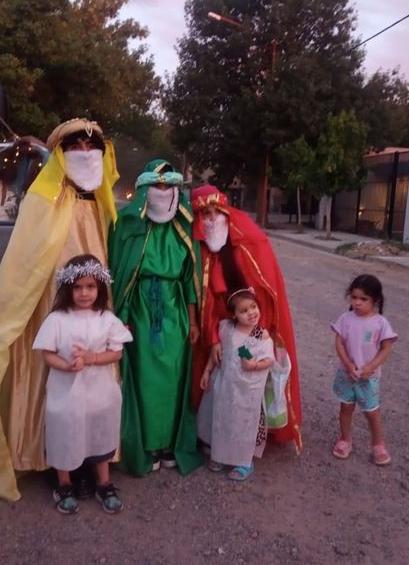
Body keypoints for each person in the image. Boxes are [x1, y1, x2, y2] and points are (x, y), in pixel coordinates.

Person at [0, 118, 120, 500]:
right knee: (54, 381)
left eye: (93, 148)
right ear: (61, 153)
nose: (86, 154)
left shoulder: (103, 203)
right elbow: (25, 262)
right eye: (76, 147)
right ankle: (51, 460)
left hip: (95, 312)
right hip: (50, 311)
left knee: (96, 381)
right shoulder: (42, 199)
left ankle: (93, 457)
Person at [108, 159, 203, 476]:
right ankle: (146, 445)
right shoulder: (128, 223)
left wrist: (193, 320)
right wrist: (120, 316)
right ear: (146, 188)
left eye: (168, 186)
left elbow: (191, 278)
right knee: (144, 376)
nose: (162, 191)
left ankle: (168, 444)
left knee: (174, 378)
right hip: (140, 310)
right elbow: (119, 274)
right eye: (157, 185)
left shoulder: (183, 228)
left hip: (174, 311)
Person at [190, 184, 302, 451]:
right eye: (206, 213)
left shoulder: (251, 241)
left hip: (252, 327)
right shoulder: (200, 251)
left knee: (251, 385)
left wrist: (257, 333)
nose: (213, 217)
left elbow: (266, 294)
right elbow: (207, 302)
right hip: (221, 330)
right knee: (223, 385)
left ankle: (252, 436)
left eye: (217, 210)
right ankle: (217, 434)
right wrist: (215, 338)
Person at [33, 254, 132, 514]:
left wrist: (91, 358)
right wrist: (67, 365)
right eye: (77, 287)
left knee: (100, 430)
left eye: (90, 287)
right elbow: (47, 353)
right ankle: (64, 483)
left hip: (99, 391)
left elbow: (117, 352)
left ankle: (104, 482)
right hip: (65, 392)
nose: (84, 293)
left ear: (99, 288)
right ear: (68, 289)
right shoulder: (57, 319)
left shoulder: (106, 318)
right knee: (64, 430)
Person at [197, 288, 276, 481]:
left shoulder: (260, 334)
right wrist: (207, 371)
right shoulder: (227, 328)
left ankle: (244, 461)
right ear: (233, 314)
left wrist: (254, 365)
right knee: (223, 419)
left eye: (253, 307)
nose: (251, 313)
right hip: (225, 385)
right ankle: (220, 455)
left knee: (243, 423)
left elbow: (269, 360)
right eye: (243, 310)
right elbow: (216, 354)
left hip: (246, 389)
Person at [331, 274, 398, 466]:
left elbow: (386, 348)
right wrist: (347, 363)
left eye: (363, 299)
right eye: (354, 298)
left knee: (371, 412)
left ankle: (378, 444)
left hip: (369, 377)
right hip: (347, 374)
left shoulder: (380, 323)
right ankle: (345, 440)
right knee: (345, 407)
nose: (357, 303)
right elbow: (339, 342)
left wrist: (370, 367)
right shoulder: (345, 319)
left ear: (375, 300)